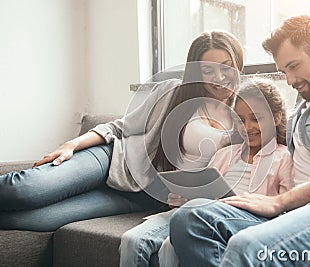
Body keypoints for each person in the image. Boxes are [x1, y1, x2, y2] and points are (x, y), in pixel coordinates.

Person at [169, 15, 310, 266]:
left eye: (294, 66)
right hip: (299, 211)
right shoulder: (303, 103)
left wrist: (280, 201)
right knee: (189, 219)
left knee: (248, 246)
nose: (289, 81)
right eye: (283, 71)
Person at [0, 31, 244, 231]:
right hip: (111, 159)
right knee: (25, 191)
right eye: (208, 70)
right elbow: (120, 127)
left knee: (38, 221)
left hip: (143, 197)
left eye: (226, 67)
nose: (219, 77)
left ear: (238, 65)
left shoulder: (244, 119)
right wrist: (72, 144)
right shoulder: (172, 93)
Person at [119, 77, 295, 267]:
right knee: (131, 239)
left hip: (234, 220)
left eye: (255, 119)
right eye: (240, 120)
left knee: (171, 247)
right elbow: (205, 191)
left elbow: (287, 209)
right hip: (197, 211)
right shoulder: (225, 153)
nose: (247, 127)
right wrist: (183, 198)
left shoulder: (283, 157)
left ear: (276, 117)